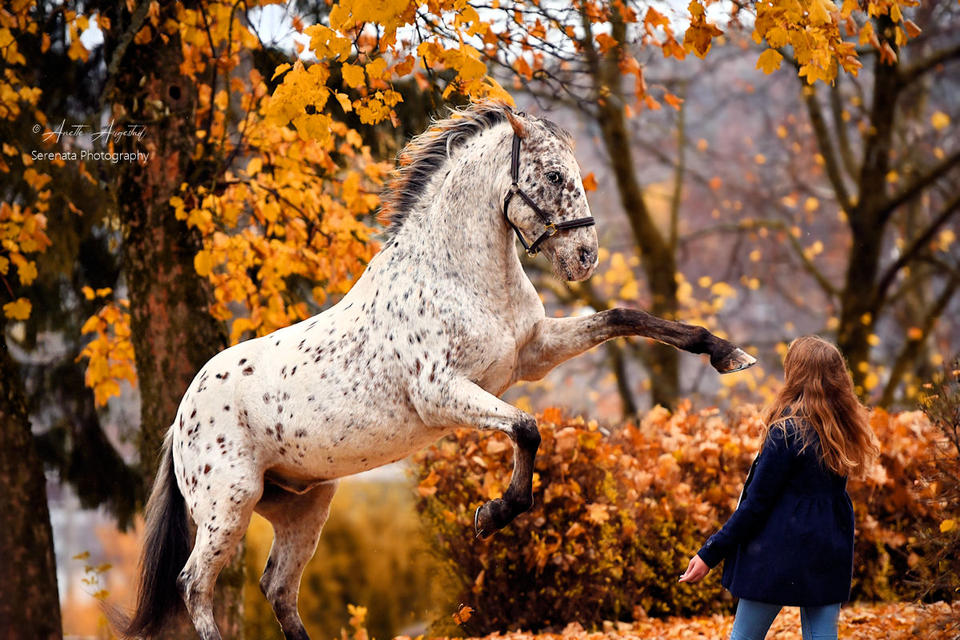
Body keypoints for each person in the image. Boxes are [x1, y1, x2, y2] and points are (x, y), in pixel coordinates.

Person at [678, 336, 880, 640]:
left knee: (745, 637)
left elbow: (755, 506)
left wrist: (709, 554)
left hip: (774, 554)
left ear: (795, 374)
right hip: (828, 547)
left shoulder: (786, 432)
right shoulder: (842, 429)